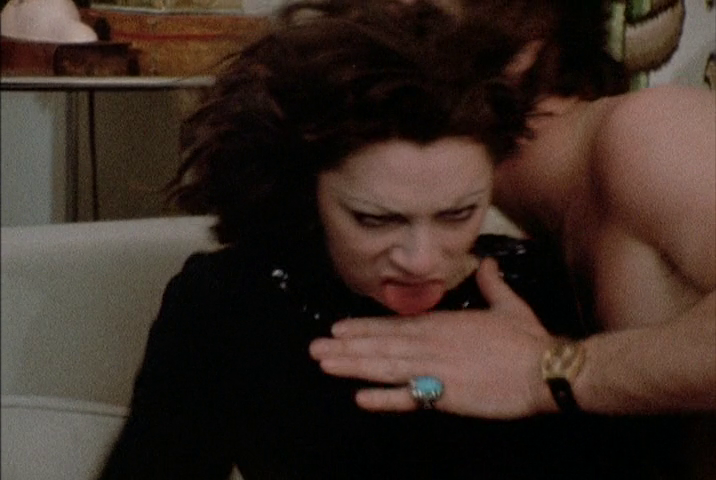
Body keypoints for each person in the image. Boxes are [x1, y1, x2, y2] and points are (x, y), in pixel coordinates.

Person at [97, 4, 688, 479]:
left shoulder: (539, 294)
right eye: (375, 220)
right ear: (309, 189)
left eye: (458, 214)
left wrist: (548, 379)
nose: (421, 260)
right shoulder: (226, 301)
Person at [291, 0, 715, 475]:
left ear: (523, 47)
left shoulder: (652, 134)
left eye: (413, 27)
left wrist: (548, 372)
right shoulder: (493, 224)